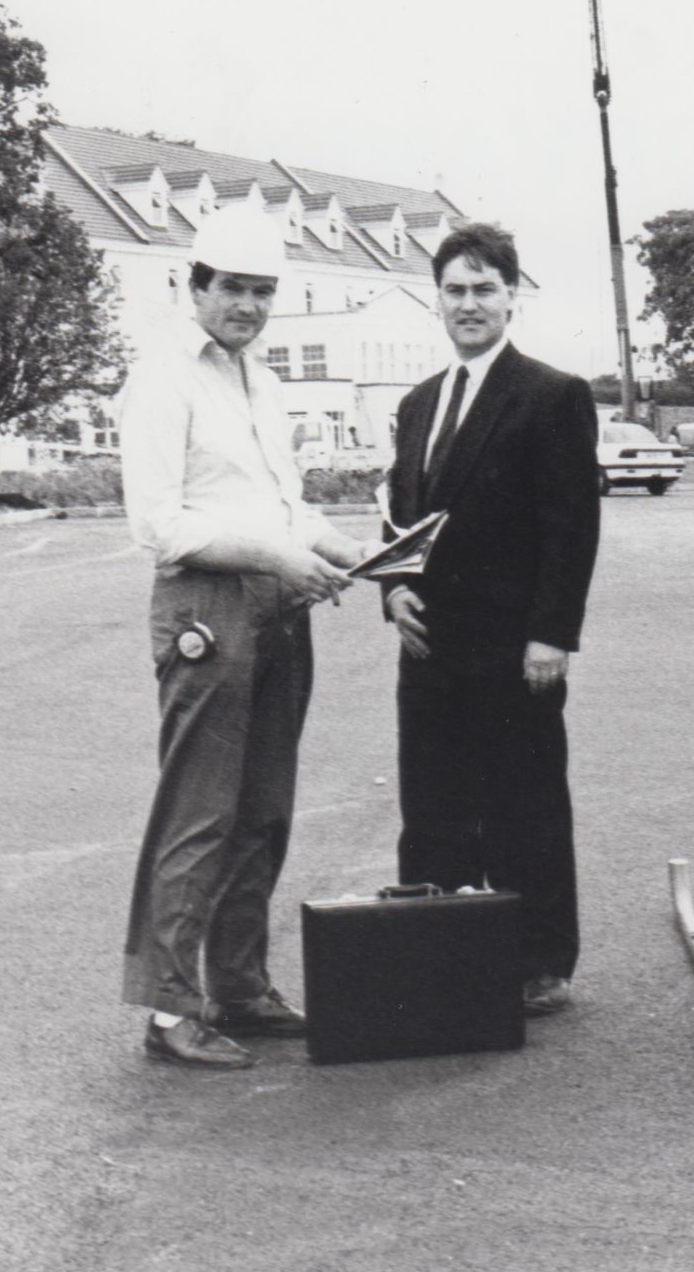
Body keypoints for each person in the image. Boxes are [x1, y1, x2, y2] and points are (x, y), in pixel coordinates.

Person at [118, 203, 373, 1071]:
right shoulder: (163, 379)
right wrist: (277, 555)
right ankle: (169, 1010)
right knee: (200, 812)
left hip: (278, 598)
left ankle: (239, 987)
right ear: (195, 287)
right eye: (233, 289)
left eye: (263, 293)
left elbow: (289, 507)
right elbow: (162, 524)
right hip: (207, 603)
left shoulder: (258, 381)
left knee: (262, 809)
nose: (248, 308)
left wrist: (356, 553)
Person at [381, 222, 601, 1017]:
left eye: (484, 289)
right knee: (432, 807)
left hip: (516, 651)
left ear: (513, 298)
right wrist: (392, 592)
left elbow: (571, 528)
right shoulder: (416, 405)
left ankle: (541, 960)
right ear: (436, 300)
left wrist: (552, 635)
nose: (468, 304)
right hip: (430, 648)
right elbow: (400, 519)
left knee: (526, 806)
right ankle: (437, 949)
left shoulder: (552, 395)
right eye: (454, 290)